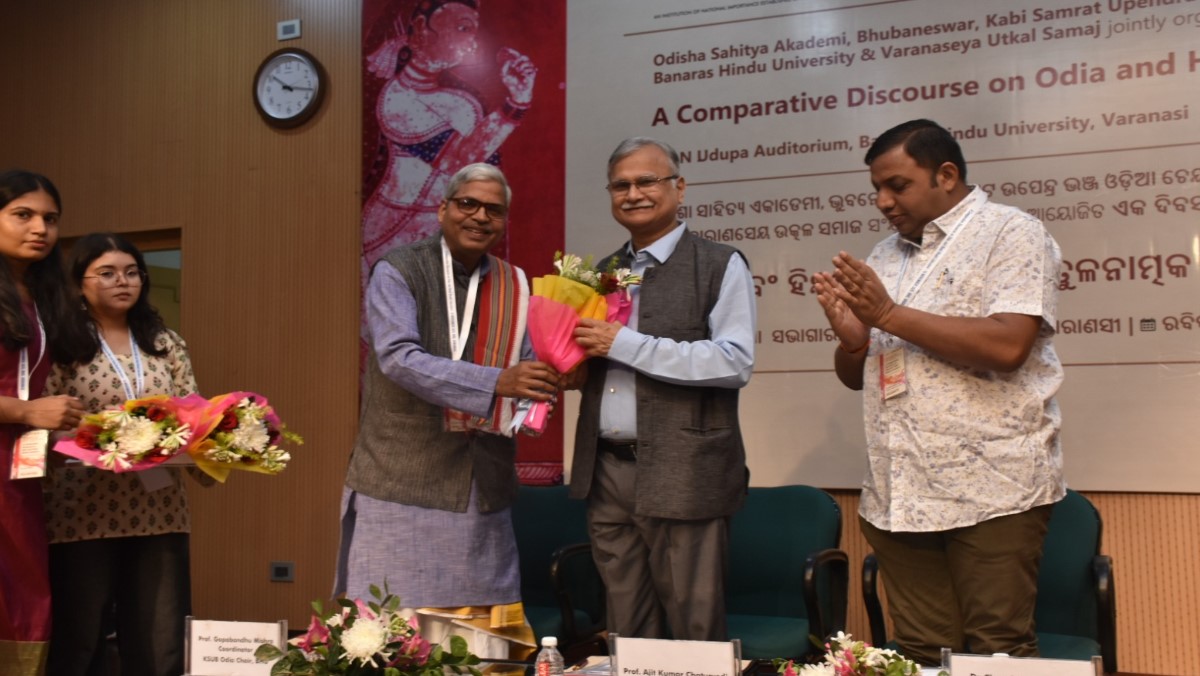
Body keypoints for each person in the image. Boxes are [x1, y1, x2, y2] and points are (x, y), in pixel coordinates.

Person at [813, 119, 1065, 665]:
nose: (882, 201)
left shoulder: (1011, 233)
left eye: (896, 185)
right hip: (901, 490)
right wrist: (855, 342)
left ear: (946, 174)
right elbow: (857, 374)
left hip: (992, 488)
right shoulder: (885, 255)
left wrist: (886, 314)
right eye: (876, 189)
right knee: (923, 651)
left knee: (998, 650)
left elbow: (1007, 346)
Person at [337, 163, 560, 657]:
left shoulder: (515, 283)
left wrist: (542, 383)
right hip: (401, 479)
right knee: (392, 641)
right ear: (442, 209)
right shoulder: (399, 269)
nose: (480, 216)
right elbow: (398, 358)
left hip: (483, 483)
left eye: (494, 210)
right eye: (468, 204)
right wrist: (499, 382)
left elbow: (526, 360)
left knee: (481, 649)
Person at [569, 137, 757, 641]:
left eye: (646, 181)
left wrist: (625, 344)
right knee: (626, 631)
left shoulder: (720, 263)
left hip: (685, 473)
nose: (633, 193)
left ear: (679, 186)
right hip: (605, 471)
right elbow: (600, 362)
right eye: (621, 185)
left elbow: (733, 362)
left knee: (694, 633)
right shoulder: (602, 273)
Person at [42, 233, 206, 676]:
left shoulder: (165, 342)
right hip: (80, 510)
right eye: (108, 273)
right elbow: (41, 415)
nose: (124, 282)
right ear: (79, 284)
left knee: (160, 639)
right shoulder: (59, 342)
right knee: (80, 639)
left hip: (160, 509)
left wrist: (222, 445)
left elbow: (194, 412)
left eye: (133, 272)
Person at [362, 0, 537, 268]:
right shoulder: (396, 97)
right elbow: (455, 162)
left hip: (452, 229)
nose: (471, 39)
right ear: (421, 28)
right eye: (462, 28)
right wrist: (515, 104)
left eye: (473, 31)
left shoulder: (461, 97)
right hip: (397, 230)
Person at [0, 170, 87, 676]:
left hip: (20, 476)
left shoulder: (41, 297)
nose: (40, 229)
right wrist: (27, 411)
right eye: (23, 215)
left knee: (25, 599)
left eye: (50, 219)